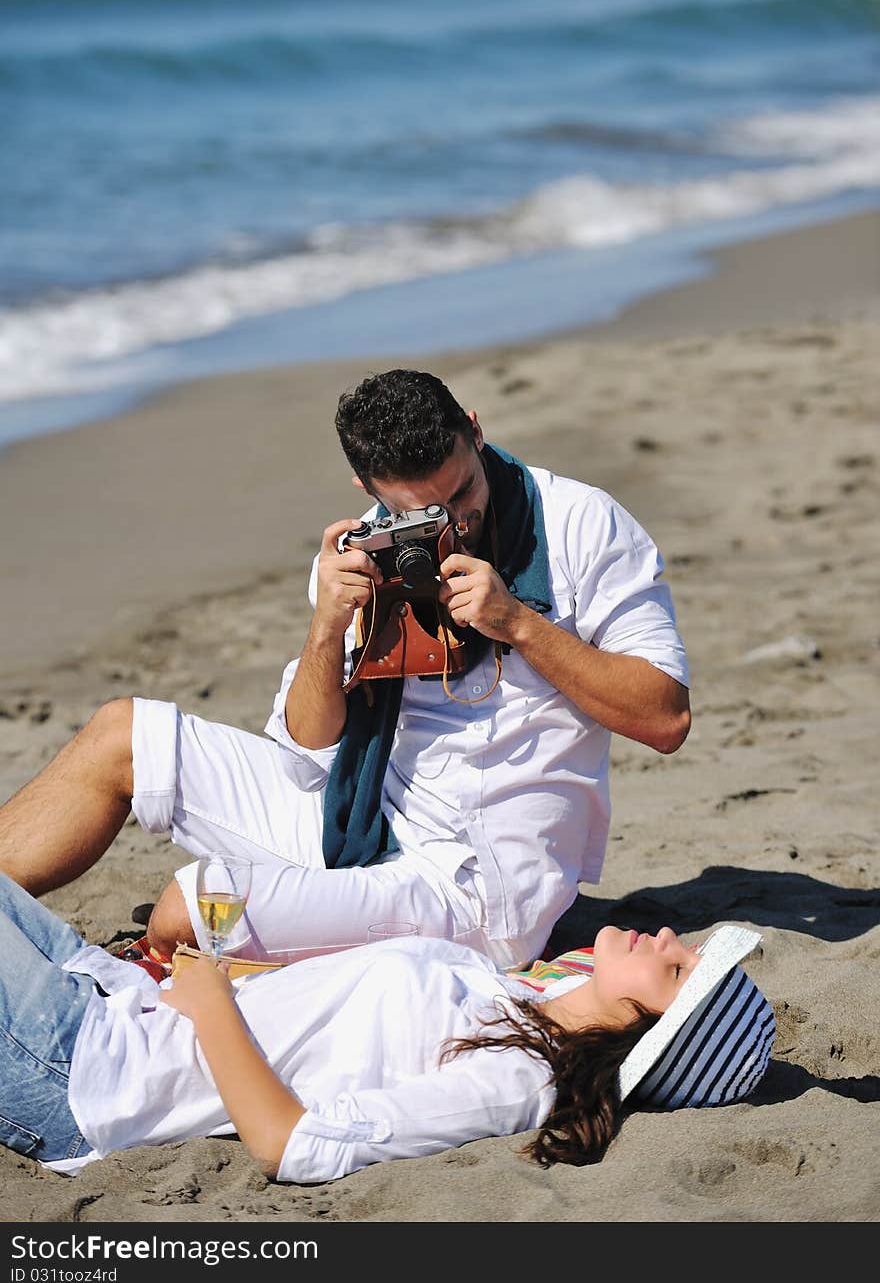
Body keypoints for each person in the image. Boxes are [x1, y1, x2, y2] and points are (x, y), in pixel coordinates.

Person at [0, 370, 691, 972]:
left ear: (475, 431)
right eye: (423, 511)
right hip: (354, 818)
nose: (453, 521)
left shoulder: (580, 525)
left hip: (478, 883)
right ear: (366, 486)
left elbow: (665, 718)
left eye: (464, 493)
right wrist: (328, 624)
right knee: (122, 734)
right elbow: (306, 743)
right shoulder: (365, 549)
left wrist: (519, 623)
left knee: (190, 911)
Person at [0, 871, 773, 1183]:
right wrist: (225, 985)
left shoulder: (515, 1081)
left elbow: (297, 1144)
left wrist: (212, 1009)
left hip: (87, 1074)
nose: (670, 940)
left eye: (676, 971)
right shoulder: (512, 997)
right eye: (687, 951)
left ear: (645, 1034)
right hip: (108, 998)